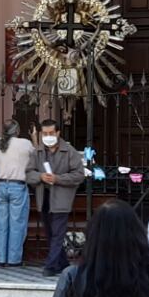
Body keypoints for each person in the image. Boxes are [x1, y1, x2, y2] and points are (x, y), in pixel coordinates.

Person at [25, 118, 86, 276]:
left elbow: (79, 175)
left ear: (58, 133)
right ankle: (62, 262)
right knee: (49, 232)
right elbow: (28, 173)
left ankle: (50, 265)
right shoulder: (38, 151)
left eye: (51, 133)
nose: (48, 136)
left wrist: (57, 179)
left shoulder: (69, 152)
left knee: (58, 232)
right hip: (43, 197)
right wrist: (40, 176)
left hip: (61, 198)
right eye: (45, 133)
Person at [0, 121, 36, 266]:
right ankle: (14, 260)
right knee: (17, 224)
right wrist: (34, 137)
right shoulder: (25, 143)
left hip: (0, 186)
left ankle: (1, 258)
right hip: (17, 185)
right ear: (17, 131)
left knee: (1, 224)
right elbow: (37, 155)